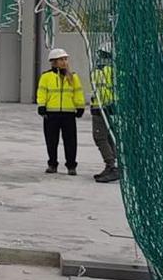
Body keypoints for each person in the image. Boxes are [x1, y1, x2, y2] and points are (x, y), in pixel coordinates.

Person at [36, 49, 85, 175]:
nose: (64, 62)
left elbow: (78, 92)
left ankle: (71, 166)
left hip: (68, 114)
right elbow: (42, 92)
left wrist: (80, 106)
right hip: (51, 113)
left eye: (65, 59)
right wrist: (41, 105)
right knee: (51, 141)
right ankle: (52, 164)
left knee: (70, 141)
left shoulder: (73, 76)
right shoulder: (46, 76)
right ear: (53, 62)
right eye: (61, 59)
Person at [90, 45, 120, 183]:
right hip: (112, 108)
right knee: (110, 137)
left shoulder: (101, 71)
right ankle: (113, 166)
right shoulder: (116, 71)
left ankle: (111, 166)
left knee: (100, 138)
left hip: (102, 108)